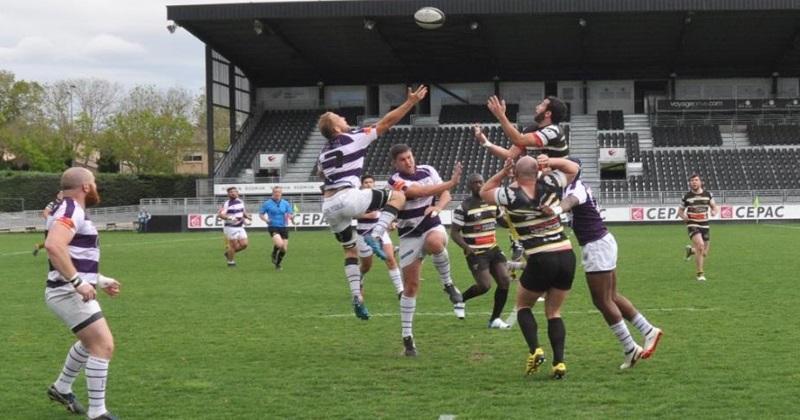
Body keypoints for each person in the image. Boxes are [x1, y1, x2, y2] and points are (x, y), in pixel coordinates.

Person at [539, 156, 663, 369]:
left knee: (602, 300)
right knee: (611, 296)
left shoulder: (576, 189)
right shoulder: (571, 187)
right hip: (602, 242)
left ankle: (630, 347)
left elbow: (569, 203)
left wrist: (556, 210)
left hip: (596, 245)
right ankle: (648, 330)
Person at [317, 86, 426, 320]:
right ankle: (376, 235)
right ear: (336, 128)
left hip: (328, 205)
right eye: (339, 118)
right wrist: (410, 102)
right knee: (398, 196)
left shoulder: (323, 153)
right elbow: (386, 123)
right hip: (348, 197)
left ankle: (357, 296)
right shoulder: (353, 137)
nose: (344, 118)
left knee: (349, 250)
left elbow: (321, 174)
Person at [479, 155, 578, 379]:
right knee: (554, 312)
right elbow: (573, 168)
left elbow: (485, 191)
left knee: (523, 306)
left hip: (540, 256)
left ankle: (535, 350)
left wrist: (503, 173)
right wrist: (550, 161)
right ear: (537, 171)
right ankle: (559, 363)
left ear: (515, 173)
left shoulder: (509, 195)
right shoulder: (551, 182)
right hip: (566, 254)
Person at [44, 167, 121, 420]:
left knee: (91, 342)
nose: (96, 187)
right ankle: (98, 413)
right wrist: (78, 283)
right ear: (86, 187)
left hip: (68, 289)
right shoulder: (71, 210)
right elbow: (54, 246)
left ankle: (61, 388)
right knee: (103, 345)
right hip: (67, 292)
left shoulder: (68, 209)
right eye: (94, 182)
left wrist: (99, 280)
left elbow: (73, 255)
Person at [387, 143, 463, 356]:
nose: (408, 161)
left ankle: (448, 284)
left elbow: (445, 194)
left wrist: (438, 207)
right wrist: (451, 182)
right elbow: (418, 192)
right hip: (409, 234)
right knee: (411, 287)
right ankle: (407, 338)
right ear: (395, 163)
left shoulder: (428, 170)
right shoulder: (394, 180)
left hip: (430, 226)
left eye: (409, 157)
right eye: (403, 159)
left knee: (435, 243)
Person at [450, 173, 513, 329]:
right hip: (476, 253)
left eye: (481, 182)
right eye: (475, 183)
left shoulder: (492, 203)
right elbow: (454, 233)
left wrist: (512, 213)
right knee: (485, 286)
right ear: (469, 186)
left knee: (505, 280)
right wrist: (466, 248)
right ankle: (461, 299)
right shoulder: (463, 207)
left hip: (493, 248)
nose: (479, 185)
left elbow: (504, 223)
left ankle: (495, 319)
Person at [356, 175, 404, 298]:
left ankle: (400, 291)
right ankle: (359, 279)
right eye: (366, 182)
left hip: (380, 231)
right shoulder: (357, 197)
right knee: (366, 266)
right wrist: (366, 216)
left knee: (390, 259)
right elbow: (349, 214)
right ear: (361, 184)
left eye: (371, 182)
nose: (369, 184)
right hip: (363, 234)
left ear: (374, 183)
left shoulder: (380, 196)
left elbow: (389, 210)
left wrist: (392, 222)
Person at [677, 174, 719, 281]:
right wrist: (684, 217)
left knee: (704, 252)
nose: (694, 182)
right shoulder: (686, 196)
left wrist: (714, 212)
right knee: (700, 245)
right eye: (692, 181)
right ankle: (700, 273)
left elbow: (714, 207)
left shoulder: (708, 195)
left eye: (696, 180)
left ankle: (691, 251)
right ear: (690, 183)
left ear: (700, 182)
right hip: (692, 224)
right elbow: (680, 211)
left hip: (705, 224)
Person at [258, 186, 293, 270]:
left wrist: (291, 217)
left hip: (284, 227)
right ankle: (274, 253)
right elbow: (261, 214)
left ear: (281, 193)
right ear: (272, 193)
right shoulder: (267, 203)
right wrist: (266, 220)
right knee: (280, 244)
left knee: (284, 249)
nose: (277, 194)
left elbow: (290, 213)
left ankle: (278, 264)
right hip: (273, 226)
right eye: (275, 192)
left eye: (279, 192)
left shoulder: (285, 203)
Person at [217, 186, 251, 267]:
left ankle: (228, 253)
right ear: (228, 194)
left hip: (240, 226)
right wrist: (229, 217)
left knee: (244, 244)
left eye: (234, 191)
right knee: (233, 246)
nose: (233, 193)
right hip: (230, 227)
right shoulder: (226, 203)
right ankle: (230, 262)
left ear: (237, 193)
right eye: (231, 192)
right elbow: (220, 215)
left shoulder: (240, 201)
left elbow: (243, 212)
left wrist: (247, 216)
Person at [33, 190, 63, 256]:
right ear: (57, 195)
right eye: (60, 193)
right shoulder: (52, 203)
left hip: (61, 226)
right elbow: (45, 213)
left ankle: (39, 246)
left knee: (56, 242)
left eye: (63, 193)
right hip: (52, 226)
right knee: (51, 243)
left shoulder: (65, 204)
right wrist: (51, 222)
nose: (62, 195)